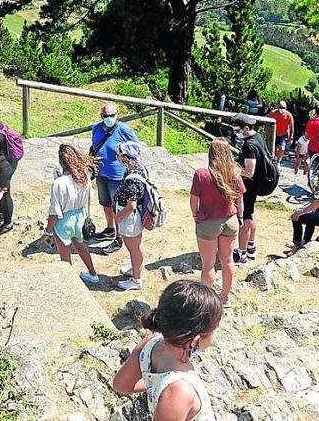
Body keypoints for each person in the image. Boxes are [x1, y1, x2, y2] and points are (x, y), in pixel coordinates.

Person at [113, 280, 222, 421]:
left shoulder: (150, 343)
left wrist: (156, 386)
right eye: (213, 330)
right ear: (196, 339)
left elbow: (121, 385)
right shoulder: (180, 391)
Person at [190, 139, 245, 305]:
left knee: (208, 264)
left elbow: (194, 200)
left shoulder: (201, 174)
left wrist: (195, 215)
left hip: (208, 222)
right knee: (227, 261)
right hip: (230, 220)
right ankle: (225, 297)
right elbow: (240, 201)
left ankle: (206, 301)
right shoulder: (234, 173)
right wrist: (240, 218)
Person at [44, 143, 100, 286]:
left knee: (65, 257)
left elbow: (54, 213)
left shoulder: (58, 183)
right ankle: (93, 274)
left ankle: (70, 285)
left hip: (63, 222)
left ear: (61, 161)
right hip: (80, 217)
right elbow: (90, 197)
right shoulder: (84, 177)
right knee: (81, 246)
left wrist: (47, 231)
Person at [91, 102, 140, 248]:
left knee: (117, 206)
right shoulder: (96, 128)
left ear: (117, 115)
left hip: (117, 176)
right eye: (106, 116)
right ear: (101, 116)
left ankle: (119, 236)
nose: (109, 118)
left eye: (112, 115)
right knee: (105, 203)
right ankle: (110, 228)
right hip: (100, 172)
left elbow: (135, 148)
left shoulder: (123, 129)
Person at [112, 141, 150, 291]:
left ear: (125, 157)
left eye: (120, 155)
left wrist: (118, 217)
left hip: (130, 217)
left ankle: (136, 280)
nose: (118, 157)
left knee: (134, 248)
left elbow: (131, 206)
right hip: (136, 214)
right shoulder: (140, 168)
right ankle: (135, 269)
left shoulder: (132, 179)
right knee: (137, 246)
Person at [229, 114, 266, 263]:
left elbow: (249, 172)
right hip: (257, 184)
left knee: (244, 219)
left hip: (249, 186)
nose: (236, 133)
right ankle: (251, 247)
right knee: (250, 215)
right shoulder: (258, 137)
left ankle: (242, 254)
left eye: (238, 130)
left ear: (246, 128)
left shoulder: (249, 145)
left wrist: (233, 171)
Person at [298, 104, 319, 175]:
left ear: (316, 112)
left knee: (308, 156)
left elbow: (306, 136)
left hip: (311, 147)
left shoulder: (310, 122)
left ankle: (308, 170)